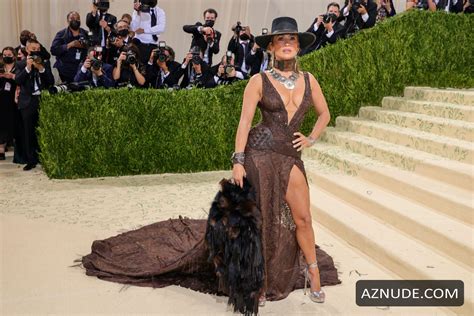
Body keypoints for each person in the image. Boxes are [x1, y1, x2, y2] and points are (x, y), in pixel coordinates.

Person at [231, 16, 333, 306]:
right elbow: (244, 123)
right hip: (260, 155)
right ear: (271, 48)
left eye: (291, 39)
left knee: (303, 218)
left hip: (290, 156)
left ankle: (313, 275)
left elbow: (325, 114)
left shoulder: (309, 80)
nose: (286, 44)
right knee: (262, 221)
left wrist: (311, 139)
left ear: (298, 46)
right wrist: (238, 160)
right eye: (280, 40)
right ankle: (257, 282)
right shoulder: (258, 81)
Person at [15, 39, 54, 170]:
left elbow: (50, 82)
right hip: (27, 102)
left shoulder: (45, 63)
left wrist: (41, 69)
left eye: (38, 49)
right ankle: (31, 160)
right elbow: (18, 80)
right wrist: (28, 68)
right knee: (28, 132)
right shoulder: (20, 64)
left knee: (43, 129)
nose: (36, 51)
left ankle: (45, 157)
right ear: (27, 50)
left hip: (42, 100)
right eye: (33, 49)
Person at [50, 11, 89, 83]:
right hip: (65, 69)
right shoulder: (61, 34)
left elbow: (93, 46)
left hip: (82, 69)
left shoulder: (86, 34)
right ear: (68, 21)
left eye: (77, 18)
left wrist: (84, 45)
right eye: (72, 18)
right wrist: (69, 45)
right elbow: (53, 50)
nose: (75, 20)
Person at [130, 0, 166, 64]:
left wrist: (144, 30)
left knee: (150, 68)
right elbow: (134, 28)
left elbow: (161, 28)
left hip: (153, 45)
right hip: (139, 45)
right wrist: (138, 13)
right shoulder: (139, 10)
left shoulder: (160, 11)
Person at [0, 47, 18, 160]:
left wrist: (12, 76)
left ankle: (18, 149)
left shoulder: (19, 67)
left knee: (14, 122)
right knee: (1, 123)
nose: (7, 56)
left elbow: (22, 79)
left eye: (9, 54)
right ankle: (1, 149)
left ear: (14, 56)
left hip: (15, 98)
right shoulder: (0, 68)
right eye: (5, 54)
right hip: (2, 99)